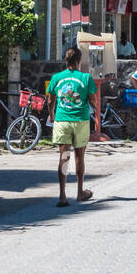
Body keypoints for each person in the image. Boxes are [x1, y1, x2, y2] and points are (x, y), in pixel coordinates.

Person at [49, 47, 96, 207]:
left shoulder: (56, 78)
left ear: (66, 60)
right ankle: (80, 192)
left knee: (63, 157)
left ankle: (62, 196)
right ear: (78, 61)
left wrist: (52, 115)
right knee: (79, 156)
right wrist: (94, 110)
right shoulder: (86, 78)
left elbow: (50, 101)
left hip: (62, 120)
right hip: (80, 120)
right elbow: (92, 100)